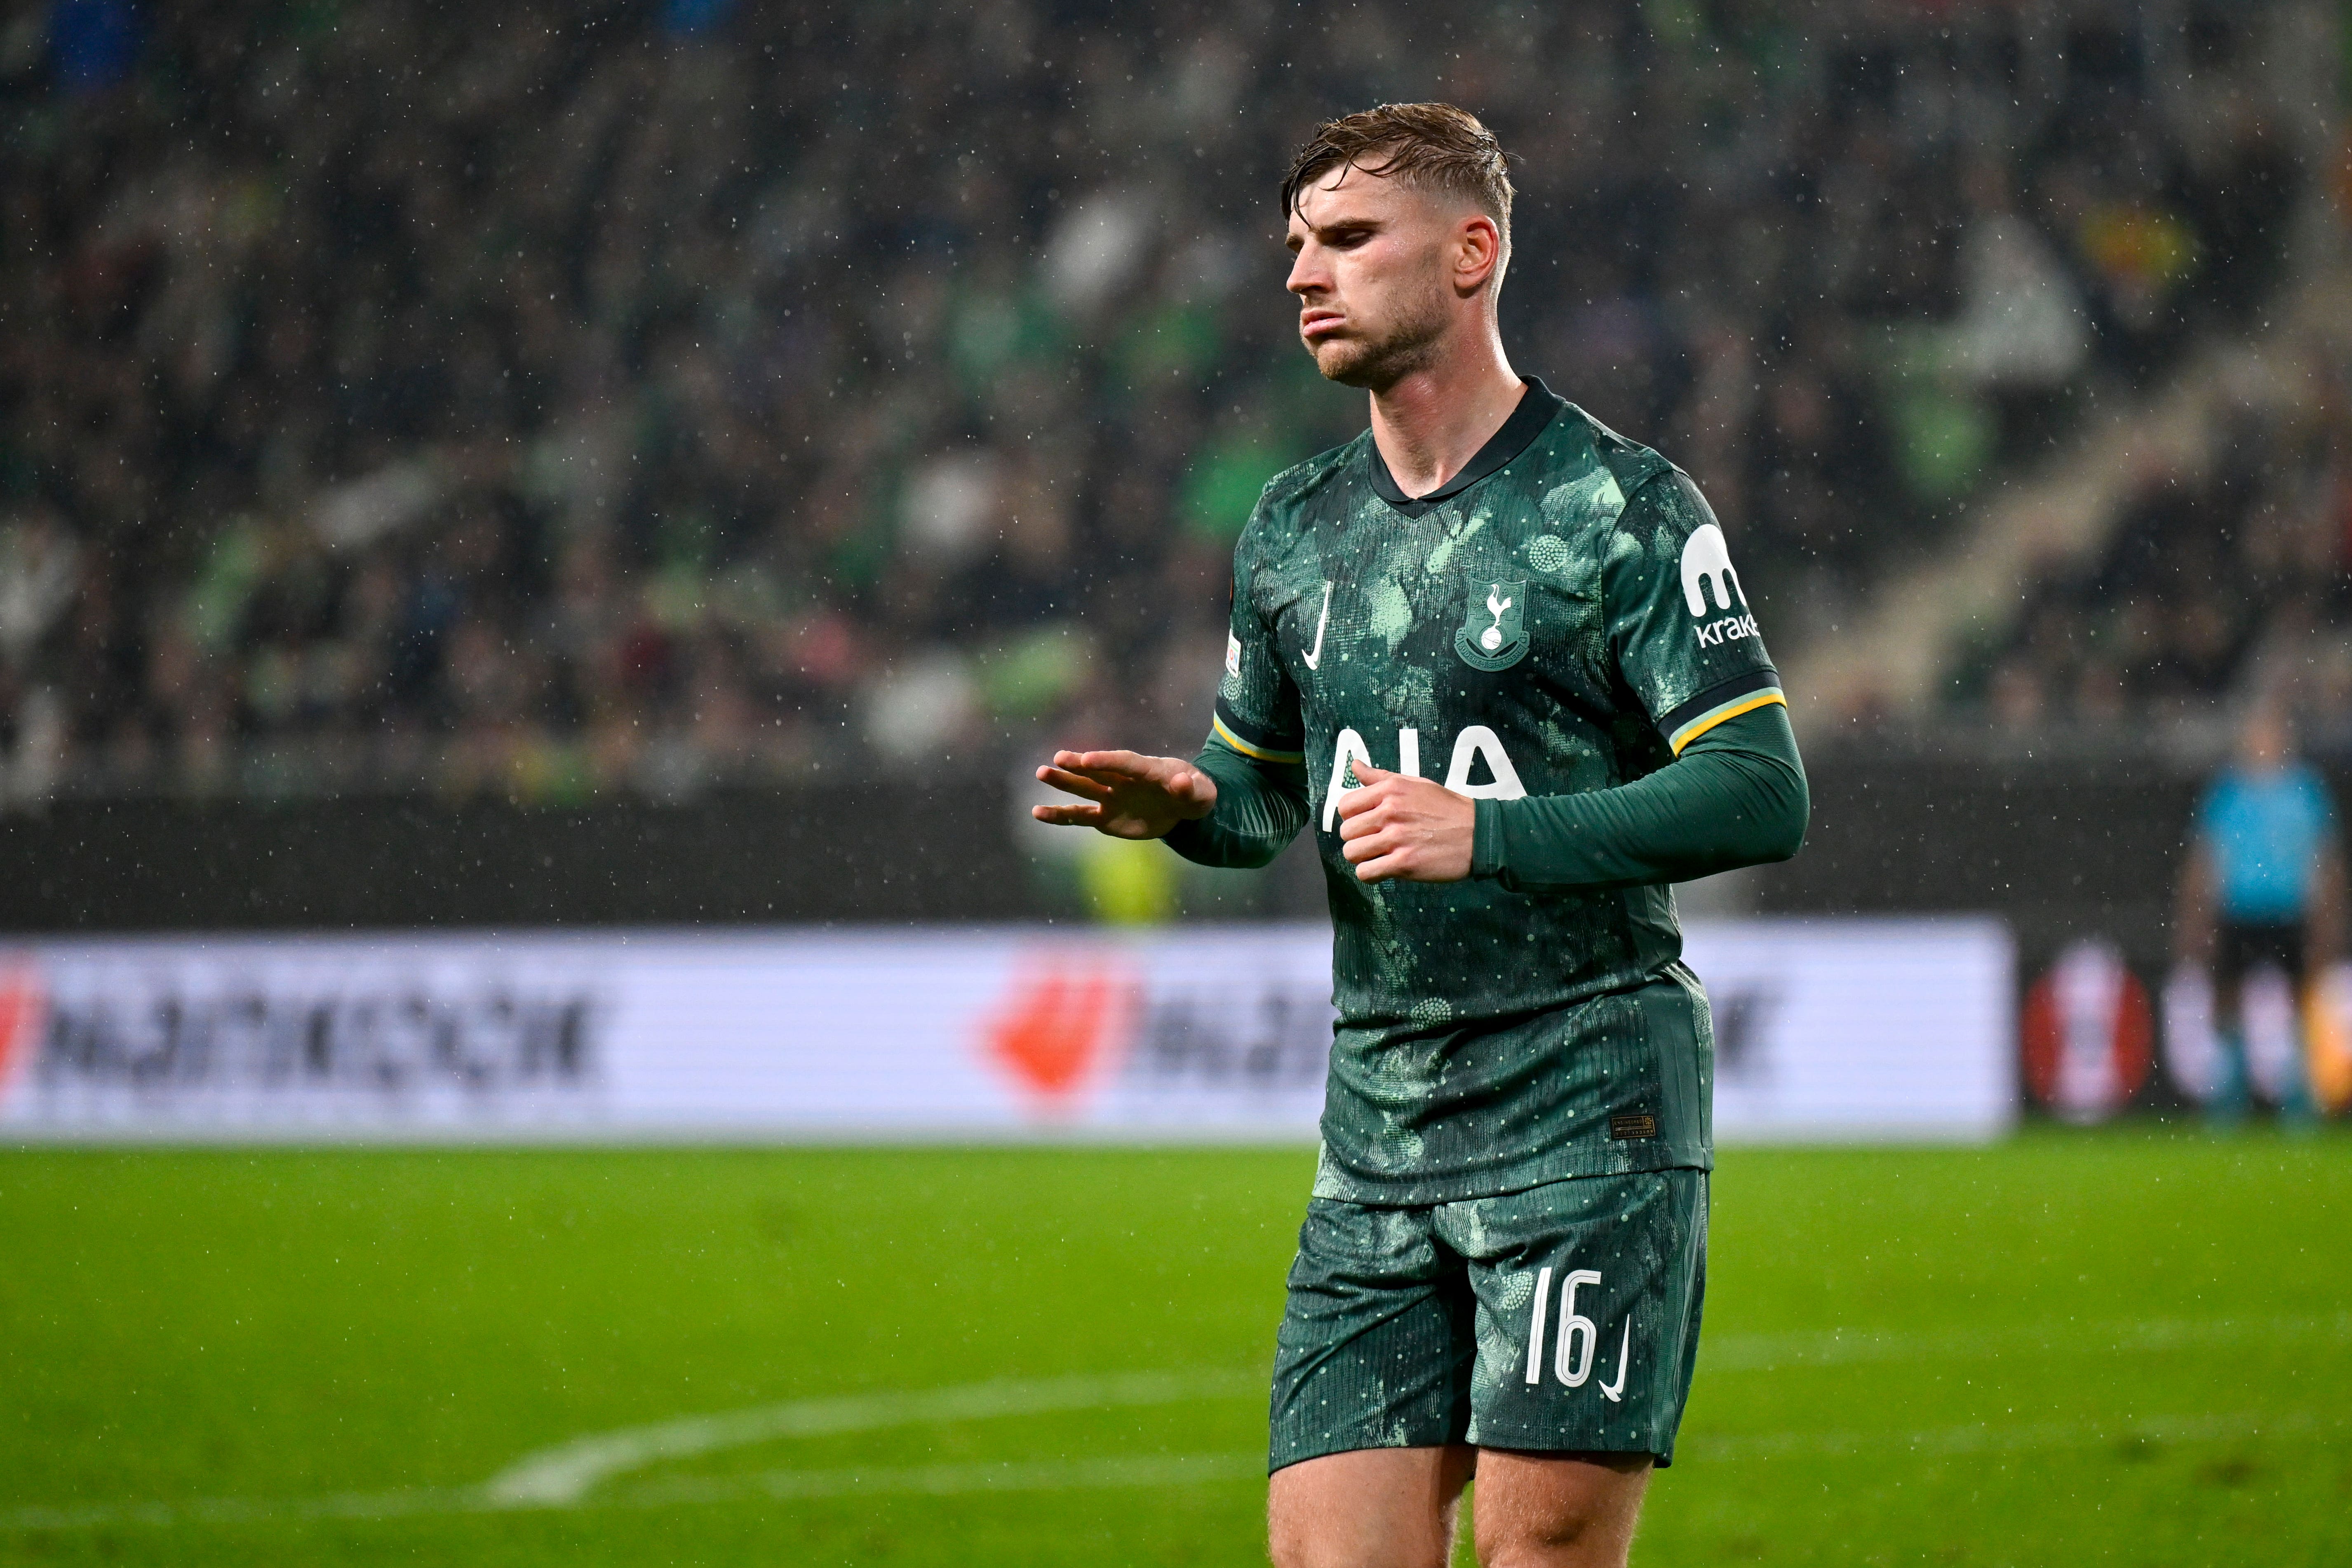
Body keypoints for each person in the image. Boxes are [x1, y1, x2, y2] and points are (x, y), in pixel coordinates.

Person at [1032, 104, 1807, 1568]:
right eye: (1292, 247)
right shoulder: (1291, 531)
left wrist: (1493, 831)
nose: (1299, 275)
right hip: (1376, 1126)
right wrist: (1193, 810)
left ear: (1471, 254)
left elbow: (1763, 789)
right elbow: (1263, 791)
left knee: (1543, 1548)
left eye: (1342, 239)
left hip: (1587, 1102)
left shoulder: (1618, 509)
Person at [2174, 702, 2342, 1123]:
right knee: (2227, 1000)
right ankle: (2230, 1096)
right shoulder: (2227, 792)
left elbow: (2325, 859)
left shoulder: (2304, 790)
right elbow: (2205, 858)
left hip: (2288, 909)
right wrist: (2195, 918)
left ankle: (2300, 1097)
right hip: (2239, 909)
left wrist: (2329, 917)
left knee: (2299, 998)